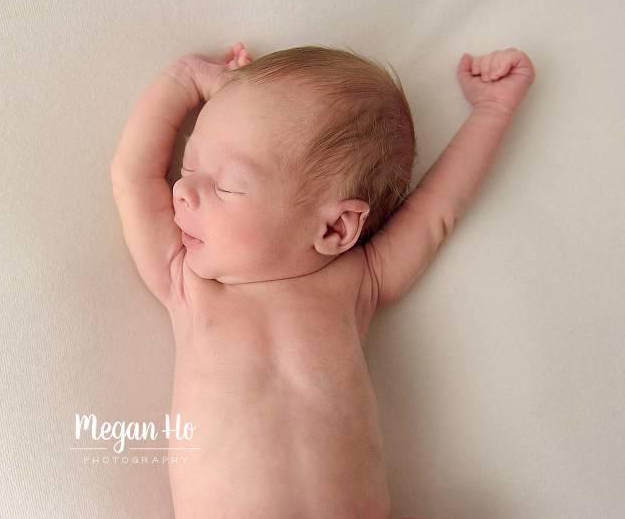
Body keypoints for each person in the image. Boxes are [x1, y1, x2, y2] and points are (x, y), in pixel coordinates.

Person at [110, 41, 535, 519]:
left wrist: (493, 111)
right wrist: (183, 81)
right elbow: (134, 176)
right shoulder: (187, 281)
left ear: (335, 228)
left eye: (225, 184)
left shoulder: (358, 280)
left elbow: (438, 208)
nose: (183, 191)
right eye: (188, 168)